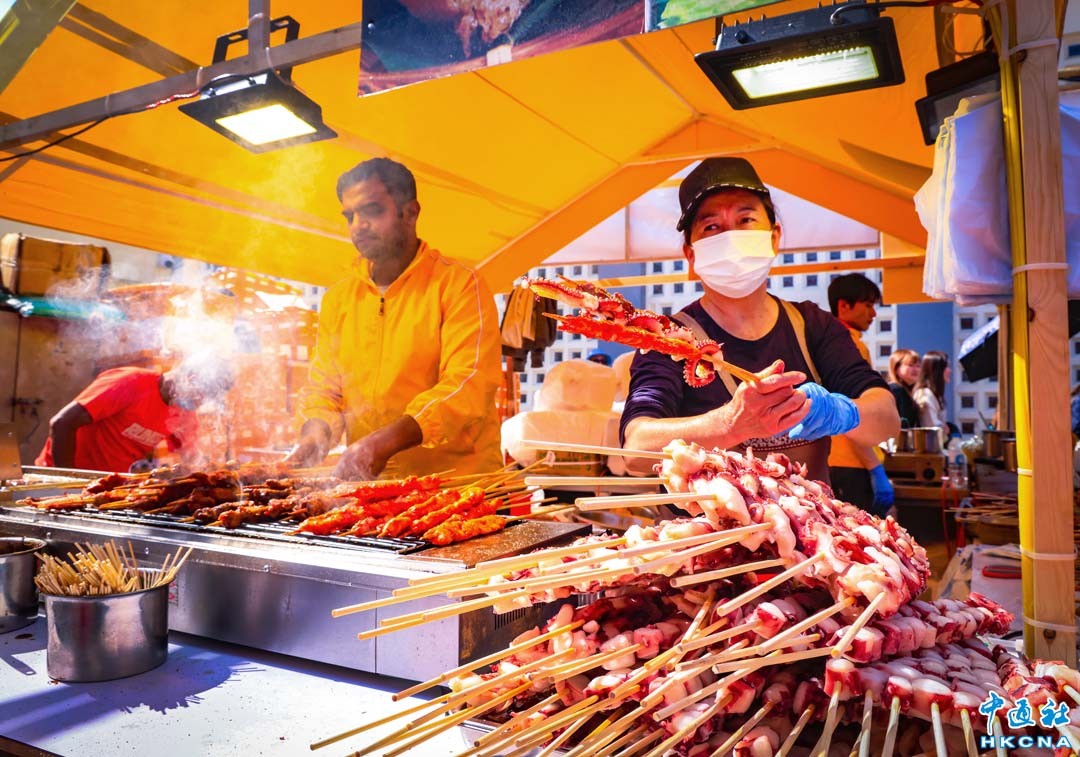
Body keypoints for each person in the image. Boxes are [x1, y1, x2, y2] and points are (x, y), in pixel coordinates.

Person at [620, 157, 900, 484]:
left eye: (746, 219)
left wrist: (842, 413)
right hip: (704, 519)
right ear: (691, 255)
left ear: (774, 237)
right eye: (711, 227)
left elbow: (887, 418)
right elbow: (635, 448)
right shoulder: (670, 339)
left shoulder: (813, 325)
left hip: (811, 515)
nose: (731, 237)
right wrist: (728, 423)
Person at [288, 158, 502, 480]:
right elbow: (325, 389)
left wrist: (383, 443)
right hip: (373, 489)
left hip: (456, 487)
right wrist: (313, 437)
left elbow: (468, 383)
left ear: (411, 213)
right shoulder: (338, 299)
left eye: (372, 211)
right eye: (349, 216)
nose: (358, 225)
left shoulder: (458, 285)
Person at [35, 357, 233, 473]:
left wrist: (222, 473)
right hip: (57, 479)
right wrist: (69, 478)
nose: (202, 403)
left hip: (106, 485)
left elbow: (192, 458)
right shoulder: (130, 382)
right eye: (206, 394)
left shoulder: (184, 415)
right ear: (192, 378)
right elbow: (62, 423)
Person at [825, 273, 893, 515]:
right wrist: (874, 466)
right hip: (849, 463)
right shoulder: (847, 346)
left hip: (840, 460)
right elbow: (850, 414)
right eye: (868, 305)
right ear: (844, 306)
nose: (873, 313)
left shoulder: (831, 341)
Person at [913, 351, 951, 441]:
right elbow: (932, 428)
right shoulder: (925, 394)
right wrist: (945, 429)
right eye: (947, 367)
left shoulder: (935, 394)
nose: (950, 370)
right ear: (937, 370)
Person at [887, 348, 922, 430]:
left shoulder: (907, 390)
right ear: (896, 368)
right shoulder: (896, 390)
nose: (915, 369)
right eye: (910, 365)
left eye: (918, 366)